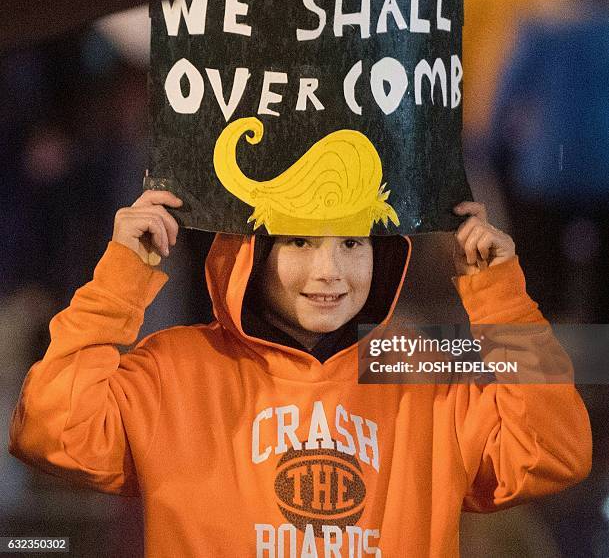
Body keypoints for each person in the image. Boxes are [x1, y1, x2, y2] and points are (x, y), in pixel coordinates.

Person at [9, 190, 591, 557]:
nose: (329, 270)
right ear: (250, 254)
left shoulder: (412, 370)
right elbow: (52, 431)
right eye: (300, 241)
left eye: (353, 242)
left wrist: (501, 299)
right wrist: (121, 280)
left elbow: (554, 449)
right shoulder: (175, 369)